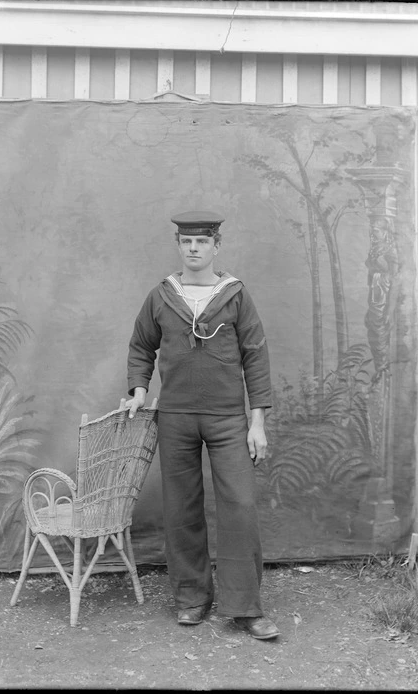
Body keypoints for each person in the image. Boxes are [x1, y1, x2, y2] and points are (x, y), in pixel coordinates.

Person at [125, 210, 279, 640]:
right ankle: (192, 598)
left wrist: (257, 423)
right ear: (179, 246)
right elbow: (141, 346)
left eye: (202, 242)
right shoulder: (161, 295)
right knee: (182, 510)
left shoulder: (234, 294)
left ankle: (245, 606)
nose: (193, 249)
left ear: (216, 246)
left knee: (240, 508)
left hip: (229, 419)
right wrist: (139, 388)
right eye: (186, 242)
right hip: (175, 419)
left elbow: (256, 356)